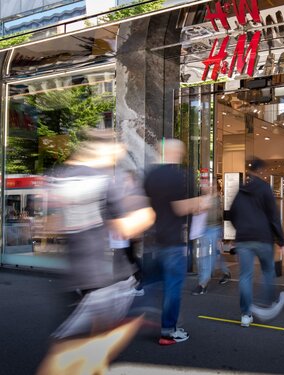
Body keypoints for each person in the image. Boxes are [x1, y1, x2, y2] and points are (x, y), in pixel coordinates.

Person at [37, 129, 155, 375]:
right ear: (108, 150)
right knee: (69, 357)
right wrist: (114, 223)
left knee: (75, 349)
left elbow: (49, 225)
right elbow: (142, 219)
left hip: (76, 279)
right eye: (118, 151)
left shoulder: (60, 176)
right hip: (108, 281)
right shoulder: (111, 179)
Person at [144, 138, 211, 345]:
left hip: (157, 238)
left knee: (156, 281)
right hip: (174, 241)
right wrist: (203, 200)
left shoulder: (151, 175)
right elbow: (180, 208)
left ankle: (140, 312)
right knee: (173, 287)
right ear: (173, 153)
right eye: (180, 151)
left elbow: (146, 205)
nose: (181, 155)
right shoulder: (175, 175)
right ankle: (168, 331)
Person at [229, 158, 284, 327]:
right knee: (268, 271)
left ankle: (245, 315)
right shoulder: (264, 189)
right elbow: (273, 216)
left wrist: (241, 229)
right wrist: (281, 240)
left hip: (244, 239)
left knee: (245, 276)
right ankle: (268, 305)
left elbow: (232, 214)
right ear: (261, 171)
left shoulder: (241, 191)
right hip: (263, 238)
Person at [192, 180, 231, 295]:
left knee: (210, 255)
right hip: (204, 230)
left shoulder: (218, 199)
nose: (208, 187)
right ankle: (225, 272)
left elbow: (220, 216)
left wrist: (222, 235)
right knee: (213, 254)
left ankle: (203, 283)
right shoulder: (203, 199)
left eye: (211, 185)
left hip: (215, 229)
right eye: (206, 185)